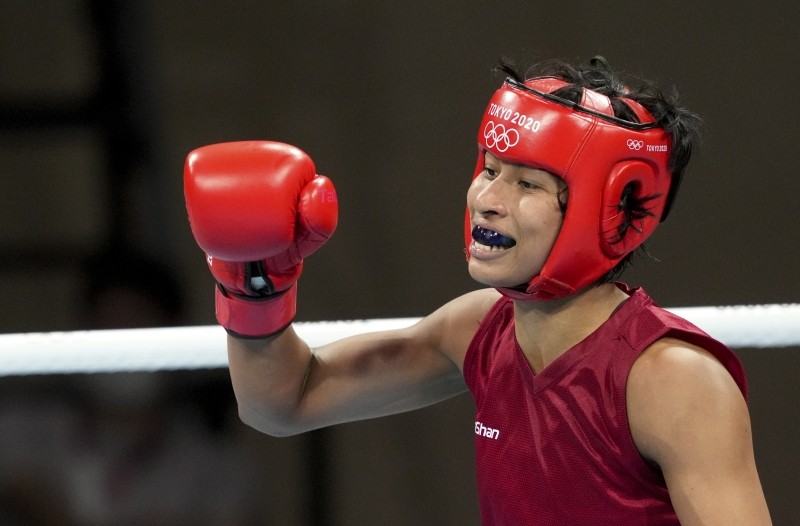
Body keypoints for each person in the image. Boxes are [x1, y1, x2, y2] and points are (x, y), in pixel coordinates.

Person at [184, 57, 773, 525]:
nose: (488, 198)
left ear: (615, 212)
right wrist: (255, 284)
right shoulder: (478, 329)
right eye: (490, 170)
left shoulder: (673, 378)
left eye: (527, 184)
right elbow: (284, 403)